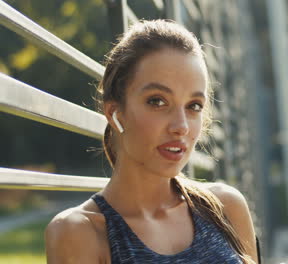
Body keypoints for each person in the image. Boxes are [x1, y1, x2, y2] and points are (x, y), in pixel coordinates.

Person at [45, 19, 258, 264]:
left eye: (194, 106)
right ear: (116, 113)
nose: (181, 126)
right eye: (157, 101)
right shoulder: (80, 232)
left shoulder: (225, 207)